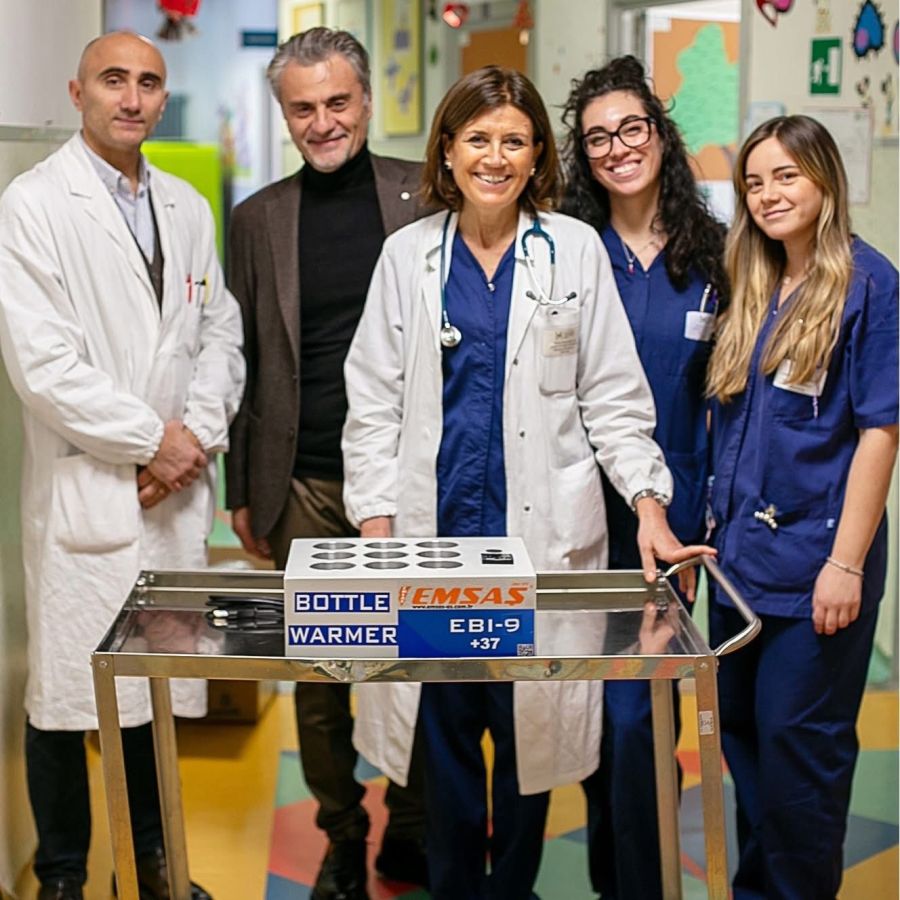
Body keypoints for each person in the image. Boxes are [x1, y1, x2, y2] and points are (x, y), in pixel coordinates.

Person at [341, 65, 711, 900]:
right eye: (478, 138)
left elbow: (613, 397)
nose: (496, 157)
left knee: (526, 748)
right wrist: (376, 526)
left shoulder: (571, 249)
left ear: (538, 152)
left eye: (514, 140)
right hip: (436, 551)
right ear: (447, 149)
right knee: (443, 744)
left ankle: (511, 890)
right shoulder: (408, 256)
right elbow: (372, 403)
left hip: (537, 550)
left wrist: (648, 503)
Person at [0, 32, 245, 900]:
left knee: (151, 697)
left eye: (148, 83)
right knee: (64, 698)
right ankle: (64, 876)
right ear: (78, 93)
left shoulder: (186, 206)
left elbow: (219, 335)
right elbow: (43, 366)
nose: (132, 98)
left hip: (169, 497)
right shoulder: (34, 204)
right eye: (114, 80)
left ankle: (153, 868)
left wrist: (193, 439)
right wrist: (152, 440)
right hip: (87, 491)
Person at [224, 28, 427, 900]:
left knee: (416, 662)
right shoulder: (257, 219)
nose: (323, 121)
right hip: (304, 476)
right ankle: (342, 834)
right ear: (285, 116)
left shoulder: (424, 193)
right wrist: (242, 488)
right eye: (303, 108)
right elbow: (239, 357)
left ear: (366, 101)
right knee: (320, 678)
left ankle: (412, 826)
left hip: (411, 479)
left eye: (337, 101)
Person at [706, 115, 898, 899]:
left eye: (786, 176)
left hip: (817, 570)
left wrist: (845, 564)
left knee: (798, 761)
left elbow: (881, 431)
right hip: (740, 567)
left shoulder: (868, 285)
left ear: (825, 180)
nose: (768, 194)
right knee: (746, 746)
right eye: (754, 182)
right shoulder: (753, 283)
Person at [560, 56, 727, 899]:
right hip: (575, 513)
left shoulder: (715, 255)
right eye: (598, 138)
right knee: (593, 718)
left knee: (642, 716)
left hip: (671, 521)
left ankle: (643, 884)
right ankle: (615, 881)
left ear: (660, 134)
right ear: (582, 156)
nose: (618, 148)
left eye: (632, 128)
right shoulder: (567, 248)